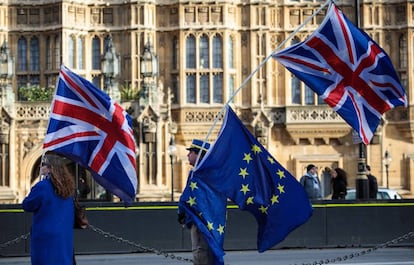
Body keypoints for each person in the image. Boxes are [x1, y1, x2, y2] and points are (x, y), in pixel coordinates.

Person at [22, 153, 76, 265]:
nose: (40, 167)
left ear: (50, 168)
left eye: (43, 164)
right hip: (64, 235)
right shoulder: (69, 187)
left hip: (45, 235)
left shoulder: (42, 186)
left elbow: (27, 205)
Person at [178, 139, 215, 265]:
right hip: (208, 218)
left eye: (191, 152)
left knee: (200, 251)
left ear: (199, 154)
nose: (188, 155)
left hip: (199, 219)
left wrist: (181, 212)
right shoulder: (209, 173)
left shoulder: (198, 174)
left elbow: (188, 196)